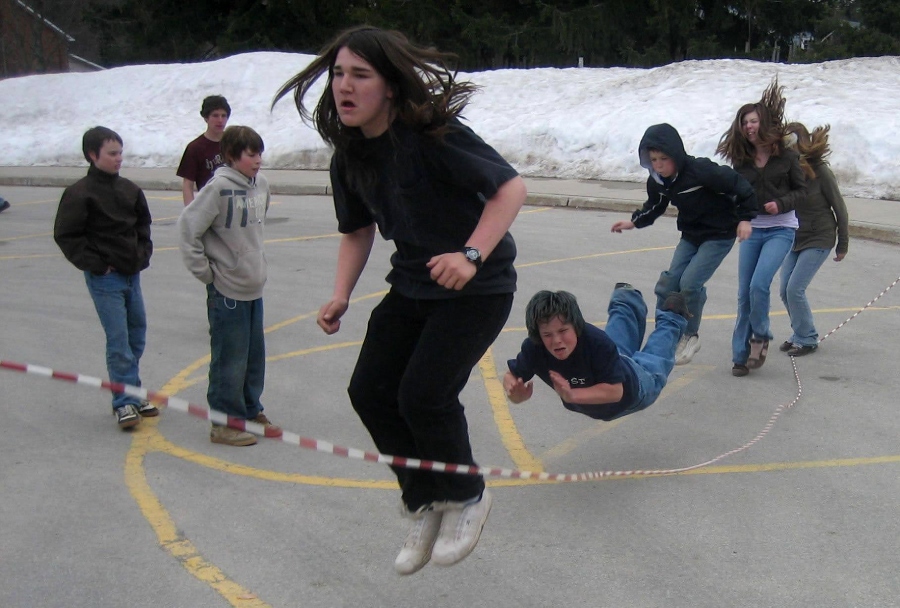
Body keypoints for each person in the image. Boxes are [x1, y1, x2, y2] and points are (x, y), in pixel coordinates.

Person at [273, 26, 527, 574]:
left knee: (424, 397)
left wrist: (471, 254)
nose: (344, 85)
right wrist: (340, 294)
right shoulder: (351, 156)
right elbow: (357, 229)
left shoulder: (433, 135)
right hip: (412, 284)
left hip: (476, 289)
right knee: (369, 390)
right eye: (338, 73)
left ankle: (468, 496)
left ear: (389, 86)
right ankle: (423, 500)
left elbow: (511, 188)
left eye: (359, 75)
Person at [611, 123, 757, 365]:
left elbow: (740, 186)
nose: (658, 164)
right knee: (668, 283)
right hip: (691, 235)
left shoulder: (701, 171)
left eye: (664, 159)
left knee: (689, 284)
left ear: (676, 154)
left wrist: (745, 218)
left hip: (719, 234)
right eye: (653, 159)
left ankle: (689, 335)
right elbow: (655, 206)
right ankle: (666, 335)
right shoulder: (658, 180)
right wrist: (634, 222)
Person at [177, 125, 281, 447]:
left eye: (260, 153)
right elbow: (188, 228)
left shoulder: (261, 184)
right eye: (251, 154)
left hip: (253, 285)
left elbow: (255, 225)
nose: (258, 160)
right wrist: (207, 273)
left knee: (253, 356)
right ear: (233, 156)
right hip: (226, 289)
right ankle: (224, 423)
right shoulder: (218, 188)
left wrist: (255, 265)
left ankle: (251, 410)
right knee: (230, 358)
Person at [53, 126, 157, 428]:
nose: (119, 159)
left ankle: (133, 392)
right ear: (92, 155)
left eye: (120, 152)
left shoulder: (130, 190)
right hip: (105, 280)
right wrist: (97, 265)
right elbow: (67, 235)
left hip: (131, 276)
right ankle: (123, 402)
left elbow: (143, 227)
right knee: (119, 341)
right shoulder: (79, 194)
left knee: (136, 335)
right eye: (112, 154)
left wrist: (141, 256)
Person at [717, 79, 806, 377]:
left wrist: (780, 204)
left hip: (781, 229)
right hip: (753, 231)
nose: (749, 127)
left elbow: (802, 192)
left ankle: (761, 335)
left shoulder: (788, 157)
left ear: (764, 123)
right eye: (745, 123)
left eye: (753, 121)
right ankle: (740, 357)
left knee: (759, 285)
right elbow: (734, 194)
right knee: (744, 294)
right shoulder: (741, 161)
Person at [504, 286, 690, 422]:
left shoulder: (595, 341)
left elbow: (615, 392)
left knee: (653, 364)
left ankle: (672, 317)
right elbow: (512, 376)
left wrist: (573, 395)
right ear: (538, 335)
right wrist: (515, 394)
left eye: (563, 331)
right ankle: (626, 298)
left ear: (576, 327)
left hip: (634, 388)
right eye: (547, 334)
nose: (556, 340)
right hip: (613, 361)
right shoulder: (535, 348)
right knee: (617, 347)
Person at [778, 122, 849, 356]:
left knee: (795, 289)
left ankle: (807, 339)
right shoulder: (787, 171)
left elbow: (840, 208)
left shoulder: (821, 172)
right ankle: (799, 332)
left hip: (820, 235)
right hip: (796, 236)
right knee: (784, 289)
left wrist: (843, 244)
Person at [176, 95, 231, 206]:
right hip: (208, 205)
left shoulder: (234, 142)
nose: (220, 120)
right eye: (215, 116)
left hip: (233, 205)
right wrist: (190, 213)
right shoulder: (195, 148)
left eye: (223, 116)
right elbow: (188, 184)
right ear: (206, 118)